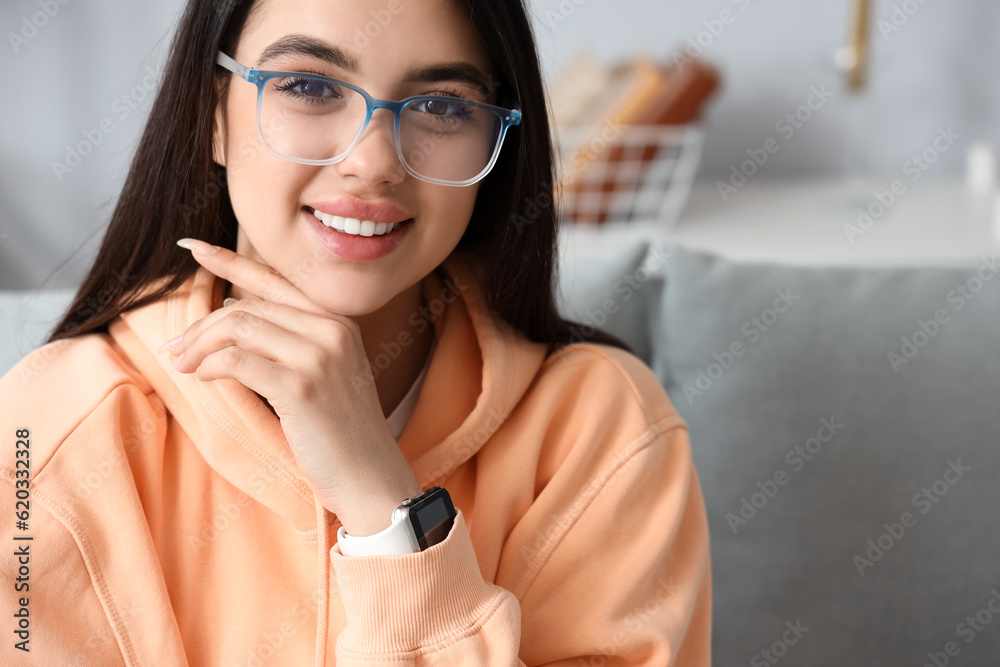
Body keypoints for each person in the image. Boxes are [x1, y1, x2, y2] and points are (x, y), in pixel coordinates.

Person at [0, 0, 711, 663]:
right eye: (309, 88)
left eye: (440, 106)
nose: (372, 162)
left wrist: (384, 505)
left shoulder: (605, 428)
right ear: (212, 112)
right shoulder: (52, 427)